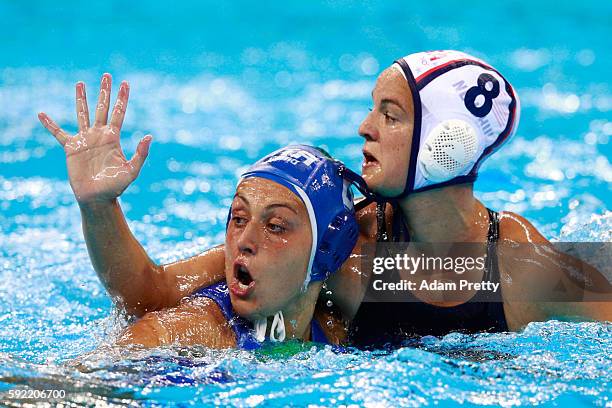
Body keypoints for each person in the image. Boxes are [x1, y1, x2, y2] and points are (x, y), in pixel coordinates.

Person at [38, 78, 361, 348]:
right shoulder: (184, 334)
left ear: (326, 250)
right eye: (238, 218)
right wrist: (98, 206)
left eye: (275, 226)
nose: (244, 241)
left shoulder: (334, 330)